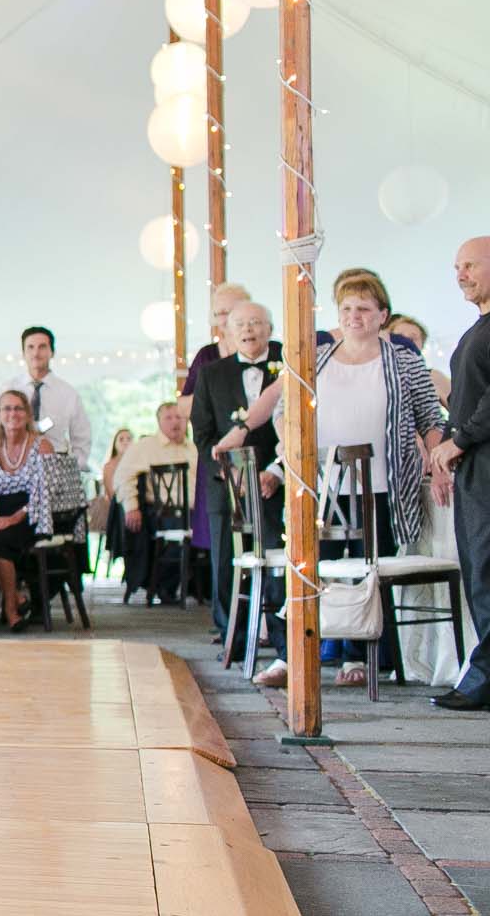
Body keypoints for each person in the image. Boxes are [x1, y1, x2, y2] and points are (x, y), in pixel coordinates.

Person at [219, 272, 445, 686]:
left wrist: (440, 461)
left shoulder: (404, 361)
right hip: (319, 489)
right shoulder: (317, 358)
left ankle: (356, 659)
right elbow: (283, 407)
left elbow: (431, 417)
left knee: (365, 574)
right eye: (347, 308)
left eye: (364, 308)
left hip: (382, 487)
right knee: (307, 569)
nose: (354, 316)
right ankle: (290, 656)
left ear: (383, 315)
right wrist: (284, 445)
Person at [190, 300, 283, 638]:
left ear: (270, 329)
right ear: (228, 333)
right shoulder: (211, 373)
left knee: (276, 558)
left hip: (275, 479)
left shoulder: (287, 364)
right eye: (240, 324)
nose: (248, 329)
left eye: (255, 322)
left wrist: (275, 471)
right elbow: (202, 434)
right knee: (226, 561)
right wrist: (232, 473)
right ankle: (232, 634)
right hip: (225, 481)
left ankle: (280, 633)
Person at [431, 236, 490, 711]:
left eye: (469, 265)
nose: (461, 275)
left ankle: (483, 679)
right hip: (474, 466)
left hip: (486, 464)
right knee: (479, 569)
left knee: (486, 569)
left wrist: (460, 439)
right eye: (456, 268)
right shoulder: (478, 329)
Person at [0, 389, 56, 630]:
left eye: (18, 408)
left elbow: (45, 492)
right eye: (7, 408)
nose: (13, 414)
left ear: (28, 414)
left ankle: (11, 611)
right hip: (0, 510)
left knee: (0, 539)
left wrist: (13, 519)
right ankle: (15, 596)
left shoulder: (42, 446)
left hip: (33, 512)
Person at [114, 402, 198, 605]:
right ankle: (164, 586)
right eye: (169, 418)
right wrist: (131, 506)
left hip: (195, 511)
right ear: (159, 421)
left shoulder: (193, 448)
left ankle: (206, 588)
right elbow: (122, 476)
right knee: (179, 533)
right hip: (162, 513)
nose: (175, 422)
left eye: (179, 417)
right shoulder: (145, 447)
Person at [0, 326, 92, 470]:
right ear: (23, 353)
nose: (36, 353)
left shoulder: (68, 393)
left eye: (42, 347)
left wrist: (73, 468)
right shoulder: (6, 390)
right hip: (14, 466)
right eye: (30, 347)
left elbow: (82, 437)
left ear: (52, 352)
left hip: (56, 466)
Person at [93, 427, 134, 572]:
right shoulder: (110, 466)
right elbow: (112, 495)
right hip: (117, 509)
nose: (125, 442)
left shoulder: (137, 463)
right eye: (121, 439)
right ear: (115, 443)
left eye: (129, 439)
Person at [391, 314, 451, 406]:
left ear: (422, 346)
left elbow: (462, 409)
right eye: (399, 337)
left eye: (412, 339)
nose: (405, 342)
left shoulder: (431, 377)